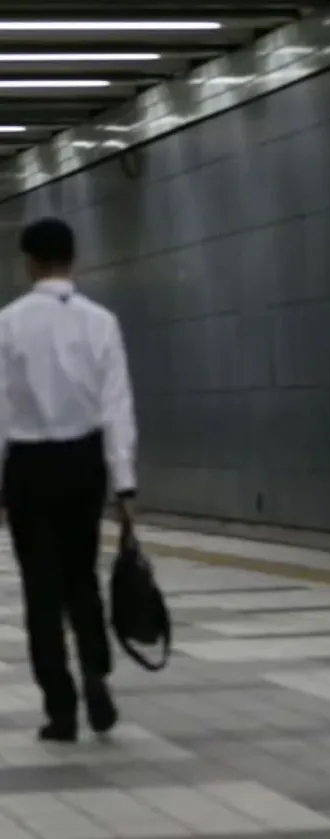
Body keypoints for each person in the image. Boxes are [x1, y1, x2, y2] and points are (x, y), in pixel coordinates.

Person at [0, 217, 137, 742]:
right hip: (84, 463)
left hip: (29, 466)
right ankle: (97, 676)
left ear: (30, 262)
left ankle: (60, 707)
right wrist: (124, 483)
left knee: (41, 589)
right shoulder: (101, 321)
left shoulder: (8, 323)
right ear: (73, 259)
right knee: (83, 579)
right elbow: (118, 404)